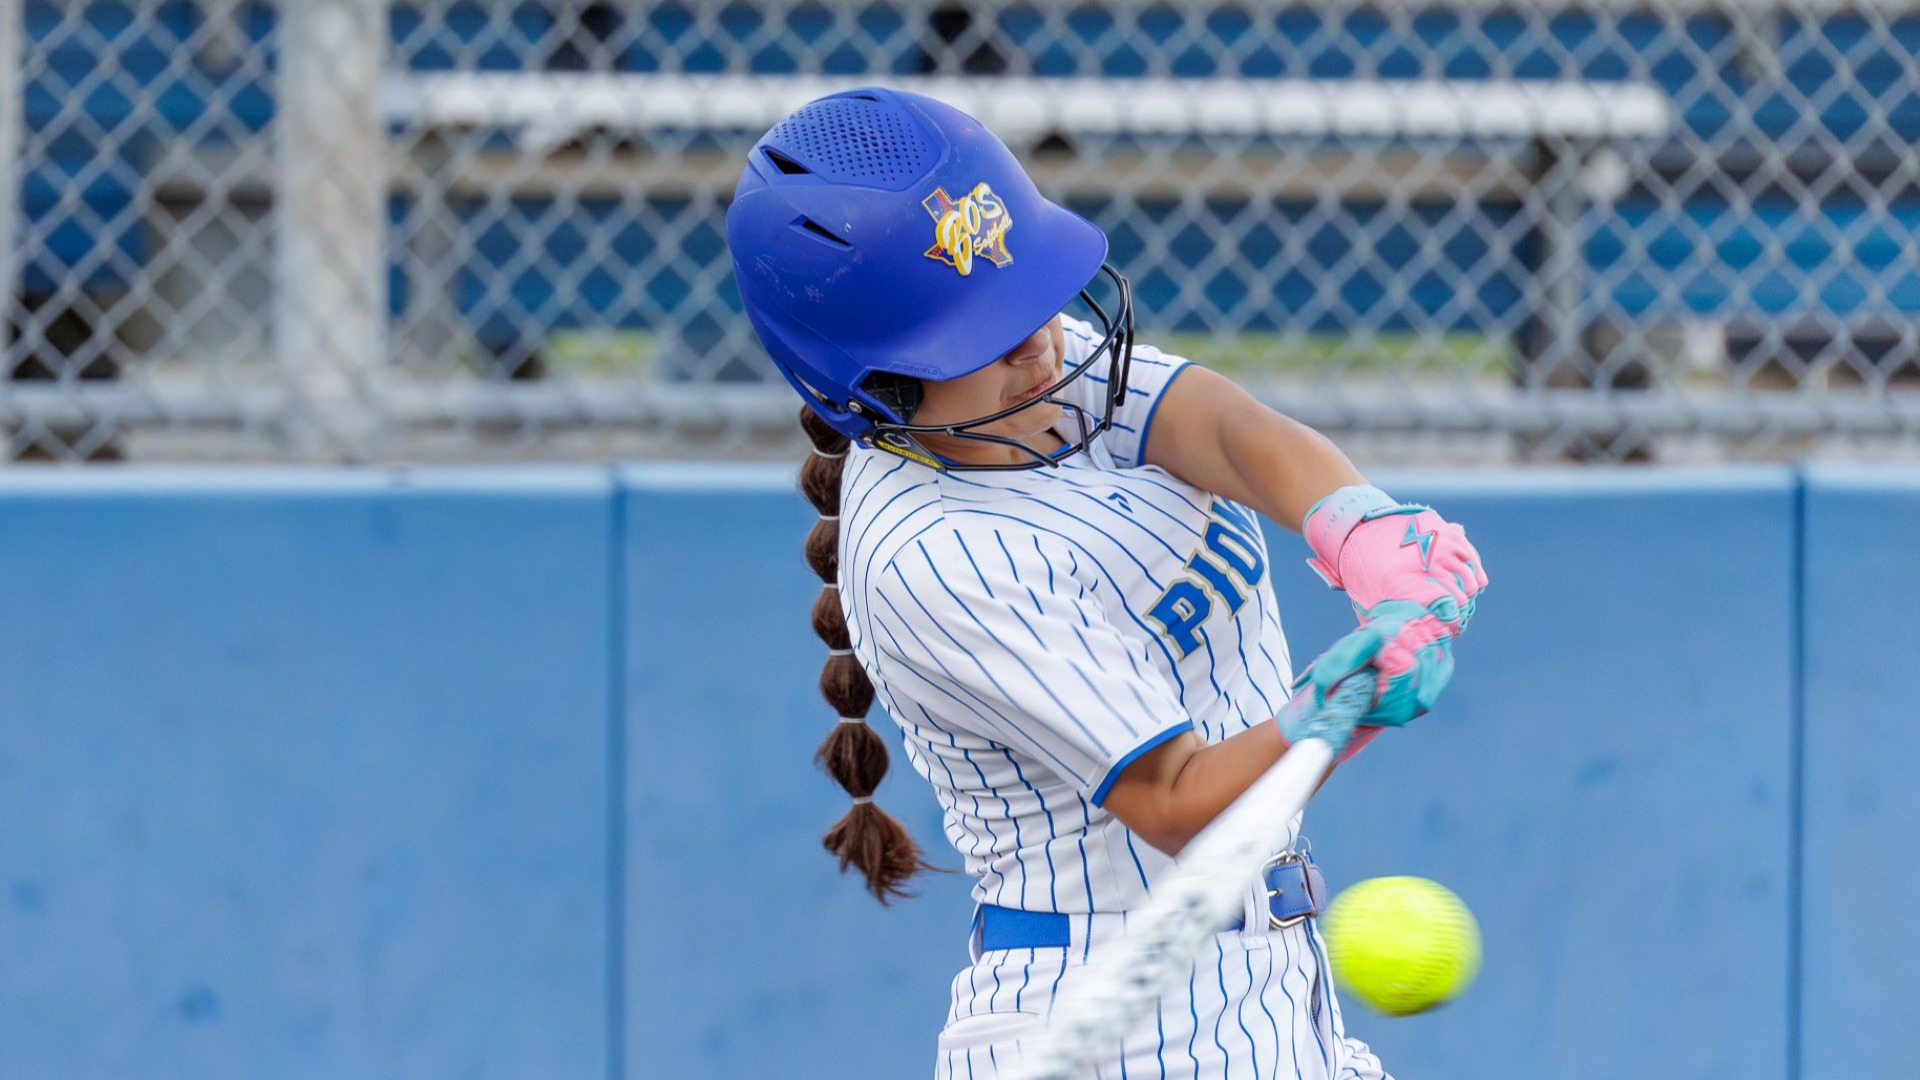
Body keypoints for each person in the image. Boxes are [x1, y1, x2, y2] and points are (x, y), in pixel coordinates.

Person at [725, 87, 1487, 1080]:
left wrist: (1357, 525)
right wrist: (1332, 710)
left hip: (1264, 985)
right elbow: (1172, 801)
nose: (1040, 343)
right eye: (986, 339)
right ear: (878, 389)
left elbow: (1218, 427)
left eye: (1032, 302)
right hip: (1122, 1010)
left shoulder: (1026, 376)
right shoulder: (941, 556)